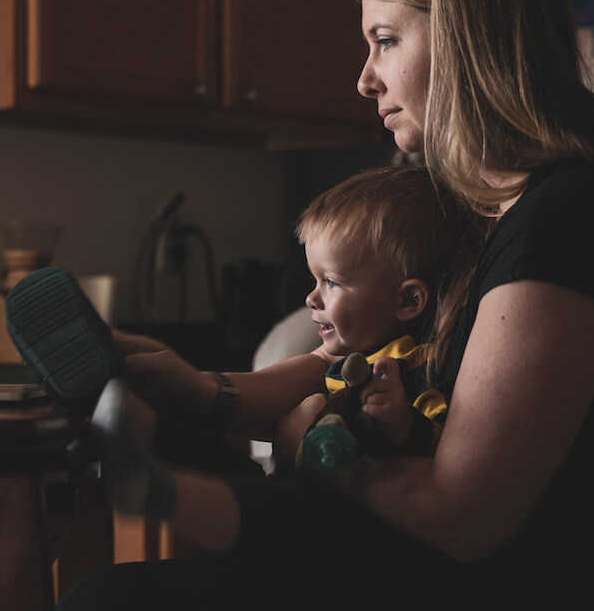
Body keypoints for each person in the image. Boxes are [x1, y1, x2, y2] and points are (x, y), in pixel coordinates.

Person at [61, 0, 594, 609]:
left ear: (469, 37)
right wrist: (207, 392)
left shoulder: (573, 220)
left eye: (385, 40)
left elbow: (460, 515)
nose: (364, 77)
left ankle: (160, 479)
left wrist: (307, 448)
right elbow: (389, 363)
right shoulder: (498, 215)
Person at [89, 165, 479, 552]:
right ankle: (142, 416)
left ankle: (160, 488)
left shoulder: (420, 368)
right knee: (217, 455)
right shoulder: (351, 356)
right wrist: (189, 382)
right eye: (314, 280)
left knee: (268, 509)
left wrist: (401, 424)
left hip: (351, 530)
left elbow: (440, 450)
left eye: (331, 282)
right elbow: (305, 369)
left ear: (408, 300)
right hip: (302, 491)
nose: (312, 298)